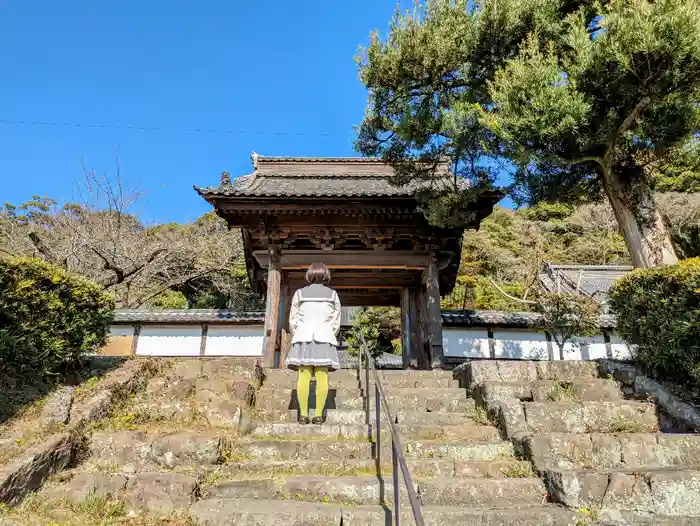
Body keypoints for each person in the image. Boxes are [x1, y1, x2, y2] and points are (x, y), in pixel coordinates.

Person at [286, 262, 341, 425]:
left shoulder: (299, 294)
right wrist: (328, 331)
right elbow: (335, 321)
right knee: (322, 376)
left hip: (303, 336)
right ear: (325, 275)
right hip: (324, 337)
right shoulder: (332, 295)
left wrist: (299, 331)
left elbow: (293, 319)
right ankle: (318, 415)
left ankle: (303, 415)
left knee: (303, 376)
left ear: (310, 274)